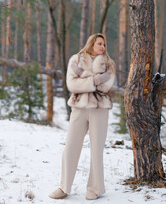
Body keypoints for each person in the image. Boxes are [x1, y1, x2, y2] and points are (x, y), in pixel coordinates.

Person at [49, 33, 116, 200]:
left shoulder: (109, 64)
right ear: (91, 43)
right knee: (70, 146)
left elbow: (106, 87)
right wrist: (94, 80)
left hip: (99, 110)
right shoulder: (76, 60)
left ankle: (94, 189)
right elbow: (72, 84)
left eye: (104, 44)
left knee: (96, 149)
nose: (102, 47)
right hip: (79, 108)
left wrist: (85, 81)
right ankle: (64, 187)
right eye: (99, 43)